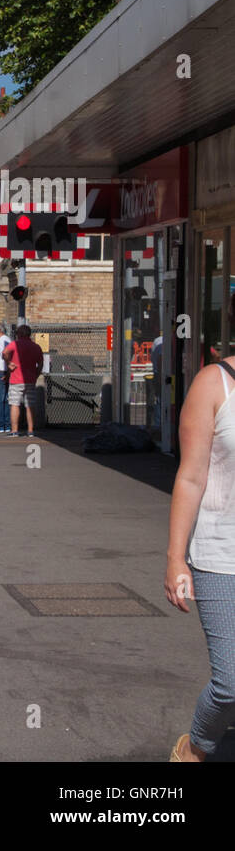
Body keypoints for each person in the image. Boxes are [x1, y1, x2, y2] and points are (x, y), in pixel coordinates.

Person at [165, 294, 235, 762]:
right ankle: (196, 746)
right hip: (220, 555)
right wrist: (175, 558)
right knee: (231, 680)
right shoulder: (215, 385)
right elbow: (190, 476)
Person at [3, 324, 45, 438]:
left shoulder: (15, 344)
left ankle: (14, 430)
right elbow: (41, 363)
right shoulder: (36, 346)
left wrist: (9, 363)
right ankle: (30, 430)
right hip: (30, 379)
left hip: (16, 378)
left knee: (14, 404)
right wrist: (36, 373)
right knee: (30, 405)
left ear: (19, 334)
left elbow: (5, 352)